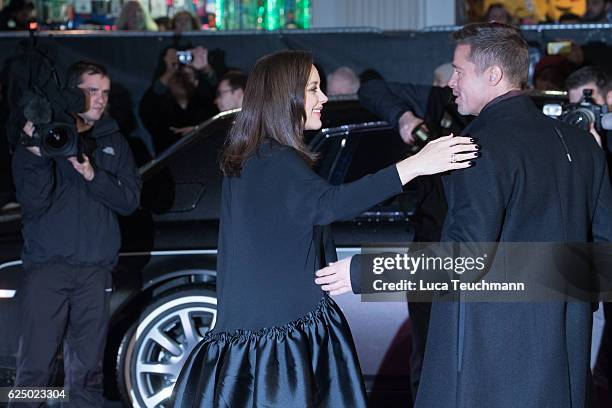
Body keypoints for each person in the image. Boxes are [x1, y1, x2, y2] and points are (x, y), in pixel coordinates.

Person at [317, 22, 612, 407]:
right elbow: (602, 260)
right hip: (565, 365)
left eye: (459, 71)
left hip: (490, 367)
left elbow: (465, 260)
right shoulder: (583, 145)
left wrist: (365, 271)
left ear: (492, 74)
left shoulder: (476, 148)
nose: (452, 82)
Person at [170, 50, 479, 407]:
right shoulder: (275, 160)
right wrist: (415, 165)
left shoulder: (256, 156)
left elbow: (292, 224)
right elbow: (329, 204)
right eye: (313, 89)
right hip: (282, 340)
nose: (324, 98)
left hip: (274, 331)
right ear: (285, 97)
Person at [9, 61, 141, 407]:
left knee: (87, 375)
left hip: (95, 271)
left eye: (106, 93)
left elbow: (129, 201)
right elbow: (33, 203)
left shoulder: (114, 140)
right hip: (47, 269)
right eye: (92, 91)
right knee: (34, 371)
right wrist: (35, 154)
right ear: (72, 92)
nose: (100, 99)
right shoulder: (45, 137)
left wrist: (91, 173)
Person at [139, 46, 217, 154]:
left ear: (197, 81)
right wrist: (169, 72)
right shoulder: (160, 107)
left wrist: (206, 69)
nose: (182, 81)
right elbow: (147, 109)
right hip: (168, 165)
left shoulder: (205, 103)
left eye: (188, 75)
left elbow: (221, 101)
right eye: (177, 76)